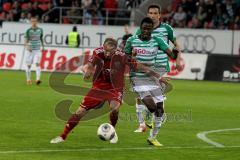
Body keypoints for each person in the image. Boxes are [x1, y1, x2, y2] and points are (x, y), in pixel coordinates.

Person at [50, 37, 165, 144]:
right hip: (98, 87)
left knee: (114, 108)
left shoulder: (122, 56)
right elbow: (90, 66)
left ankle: (112, 130)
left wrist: (157, 76)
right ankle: (63, 136)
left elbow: (140, 67)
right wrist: (87, 74)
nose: (106, 53)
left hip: (115, 88)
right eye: (105, 50)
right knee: (80, 112)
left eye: (109, 51)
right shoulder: (98, 52)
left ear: (115, 50)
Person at [124, 17, 180, 146]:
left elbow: (172, 55)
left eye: (149, 29)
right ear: (140, 28)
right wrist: (130, 58)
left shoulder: (157, 41)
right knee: (152, 107)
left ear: (151, 30)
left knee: (159, 109)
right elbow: (125, 58)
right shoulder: (132, 40)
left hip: (152, 78)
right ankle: (149, 119)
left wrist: (175, 51)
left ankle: (152, 137)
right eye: (144, 28)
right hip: (137, 77)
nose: (146, 31)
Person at [133, 4, 183, 133]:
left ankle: (155, 116)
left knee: (155, 94)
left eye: (155, 13)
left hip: (160, 65)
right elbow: (135, 45)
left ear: (160, 15)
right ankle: (144, 122)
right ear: (147, 14)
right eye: (151, 13)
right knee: (140, 95)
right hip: (146, 66)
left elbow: (176, 45)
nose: (153, 15)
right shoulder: (141, 29)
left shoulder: (167, 28)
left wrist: (177, 59)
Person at [24, 16, 44, 85]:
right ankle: (28, 79)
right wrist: (27, 46)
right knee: (29, 65)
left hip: (37, 50)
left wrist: (43, 46)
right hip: (30, 50)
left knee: (37, 64)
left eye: (35, 21)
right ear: (31, 22)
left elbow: (41, 38)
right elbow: (25, 41)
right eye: (32, 21)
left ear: (37, 22)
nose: (34, 23)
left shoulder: (40, 30)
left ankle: (37, 79)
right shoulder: (28, 30)